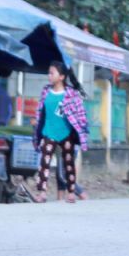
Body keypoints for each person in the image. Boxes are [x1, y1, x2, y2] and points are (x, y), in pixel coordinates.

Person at [28, 61, 90, 203]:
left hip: (66, 134)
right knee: (44, 163)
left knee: (68, 164)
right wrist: (36, 122)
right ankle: (42, 193)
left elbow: (81, 114)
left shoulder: (71, 94)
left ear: (61, 77)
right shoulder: (45, 91)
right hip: (48, 132)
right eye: (49, 73)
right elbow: (40, 110)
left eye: (52, 73)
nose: (49, 76)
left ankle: (71, 193)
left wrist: (82, 130)